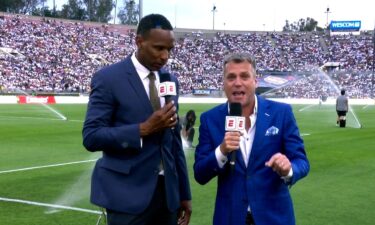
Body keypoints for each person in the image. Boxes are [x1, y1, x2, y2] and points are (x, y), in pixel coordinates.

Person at [82, 14, 192, 225]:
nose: (165, 56)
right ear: (139, 41)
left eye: (169, 49)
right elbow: (91, 136)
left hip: (167, 197)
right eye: (158, 48)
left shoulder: (171, 81)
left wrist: (184, 194)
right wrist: (142, 129)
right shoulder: (108, 78)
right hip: (126, 196)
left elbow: (174, 143)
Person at [193, 52, 309, 225]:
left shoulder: (281, 113)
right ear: (223, 83)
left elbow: (301, 161)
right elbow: (200, 173)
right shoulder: (210, 119)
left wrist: (289, 169)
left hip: (274, 218)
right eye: (231, 77)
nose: (237, 82)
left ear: (255, 81)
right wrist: (222, 151)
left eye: (244, 76)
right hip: (230, 218)